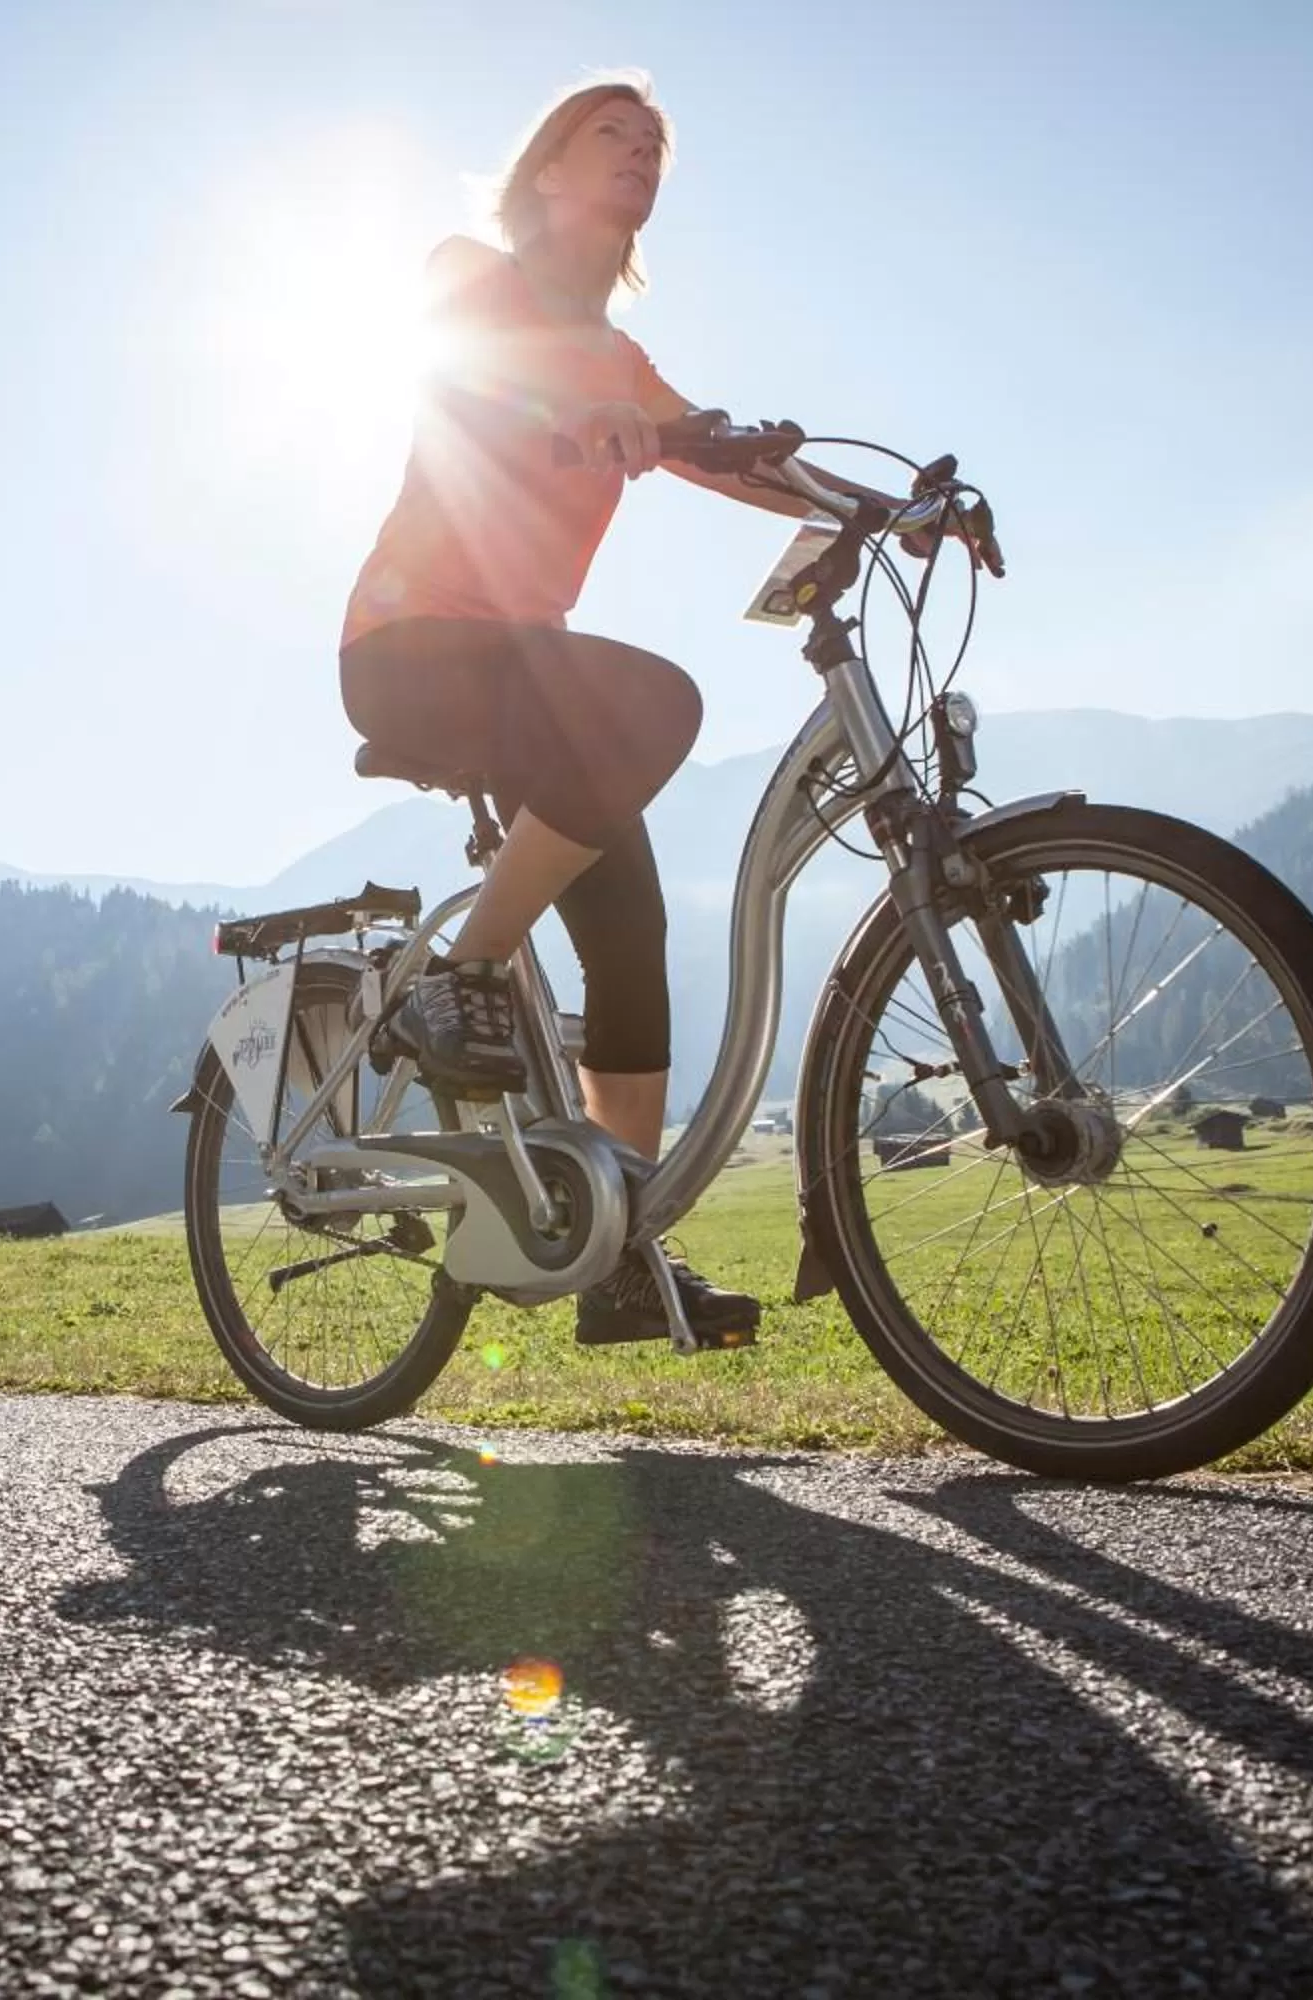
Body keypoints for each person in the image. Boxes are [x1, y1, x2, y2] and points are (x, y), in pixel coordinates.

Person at [342, 76, 929, 1349]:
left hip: (532, 672)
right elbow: (462, 377)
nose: (643, 151)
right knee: (658, 700)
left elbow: (736, 461)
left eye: (655, 142)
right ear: (547, 170)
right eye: (614, 132)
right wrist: (574, 412)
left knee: (631, 933)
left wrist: (885, 508)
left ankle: (618, 1252)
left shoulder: (624, 362)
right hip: (411, 646)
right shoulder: (472, 275)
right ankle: (460, 973)